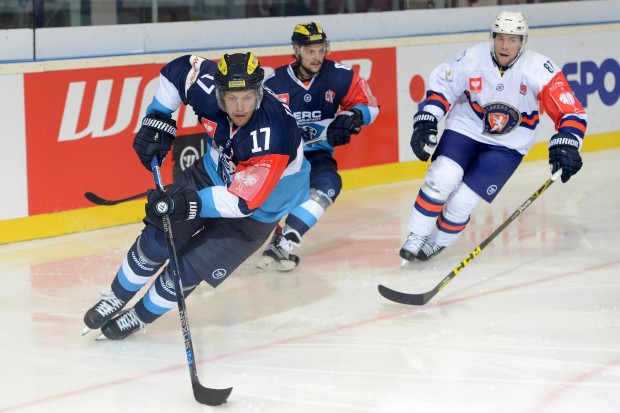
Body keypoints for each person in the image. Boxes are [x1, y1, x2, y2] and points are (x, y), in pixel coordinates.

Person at [82, 52, 310, 340]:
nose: (240, 107)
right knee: (157, 240)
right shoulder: (205, 87)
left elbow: (243, 202)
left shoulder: (273, 135)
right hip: (212, 173)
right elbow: (178, 70)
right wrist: (158, 116)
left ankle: (138, 316)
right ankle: (115, 296)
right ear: (218, 93)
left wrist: (187, 203)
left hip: (259, 209)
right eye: (231, 97)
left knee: (188, 270)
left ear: (259, 93)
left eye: (248, 97)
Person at [399, 11, 587, 264]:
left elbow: (571, 110)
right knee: (443, 176)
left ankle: (437, 242)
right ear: (492, 38)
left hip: (509, 144)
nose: (505, 46)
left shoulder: (539, 69)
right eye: (500, 38)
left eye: (512, 40)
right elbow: (443, 87)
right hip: (467, 127)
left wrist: (568, 142)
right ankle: (417, 234)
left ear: (523, 41)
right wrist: (428, 117)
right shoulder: (472, 58)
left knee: (463, 201)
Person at [257, 22, 380, 272]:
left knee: (329, 184)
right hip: (282, 158)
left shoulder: (340, 75)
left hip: (318, 154)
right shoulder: (274, 83)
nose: (316, 56)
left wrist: (353, 116)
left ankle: (286, 240)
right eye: (310, 50)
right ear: (297, 50)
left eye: (320, 49)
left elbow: (371, 106)